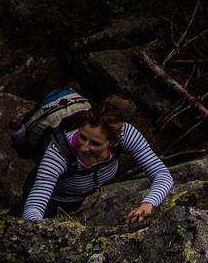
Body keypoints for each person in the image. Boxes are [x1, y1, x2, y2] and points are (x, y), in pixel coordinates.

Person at [19, 95, 172, 222]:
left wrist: (148, 204)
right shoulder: (58, 153)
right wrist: (36, 233)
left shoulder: (125, 134)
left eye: (95, 143)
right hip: (52, 198)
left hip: (80, 200)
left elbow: (162, 175)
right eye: (82, 137)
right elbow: (35, 206)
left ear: (112, 141)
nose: (84, 147)